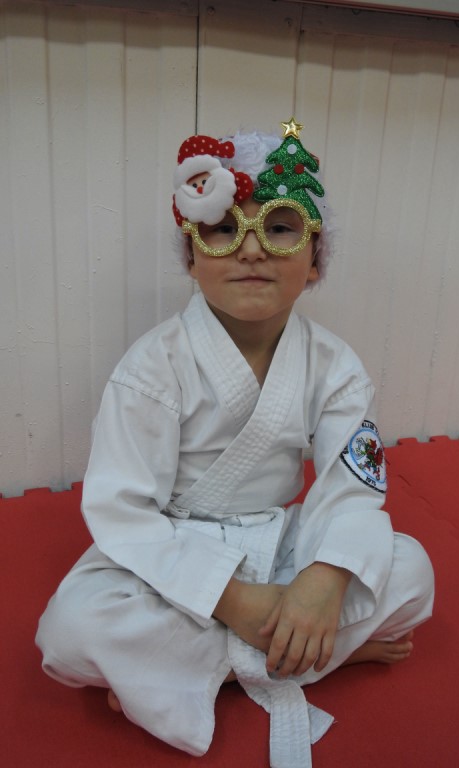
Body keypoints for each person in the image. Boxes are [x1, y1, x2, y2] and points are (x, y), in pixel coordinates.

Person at [36, 118, 434, 768]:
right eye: (222, 230)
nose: (251, 250)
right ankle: (311, 655)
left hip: (280, 544)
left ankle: (183, 673)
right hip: (176, 551)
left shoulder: (335, 366)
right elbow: (123, 513)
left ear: (315, 260)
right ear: (192, 258)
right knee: (71, 629)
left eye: (279, 228)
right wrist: (233, 600)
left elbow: (350, 490)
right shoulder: (152, 367)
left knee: (412, 571)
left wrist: (324, 579)